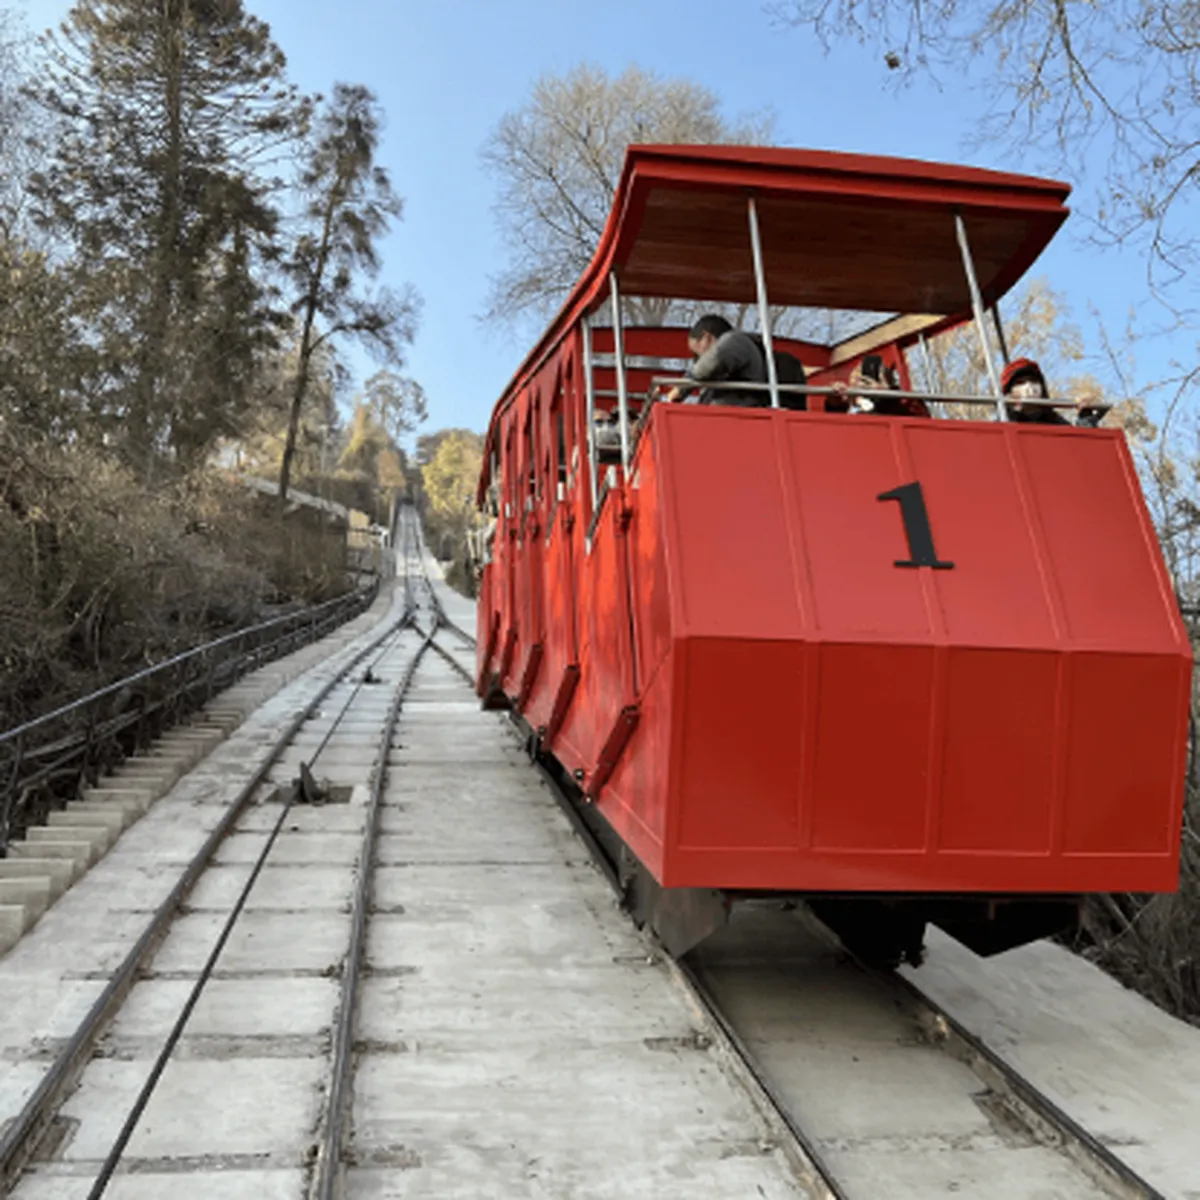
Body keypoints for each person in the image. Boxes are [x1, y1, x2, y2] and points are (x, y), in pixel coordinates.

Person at [662, 314, 768, 407]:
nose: (697, 360)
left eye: (696, 353)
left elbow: (707, 365)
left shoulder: (735, 340)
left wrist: (681, 388)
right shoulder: (722, 368)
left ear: (706, 337)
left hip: (739, 417)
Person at [1002, 357, 1105, 426]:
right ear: (1009, 393)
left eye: (1034, 381)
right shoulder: (1003, 423)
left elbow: (1078, 446)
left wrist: (1085, 417)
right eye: (1020, 383)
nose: (1029, 387)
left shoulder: (1054, 421)